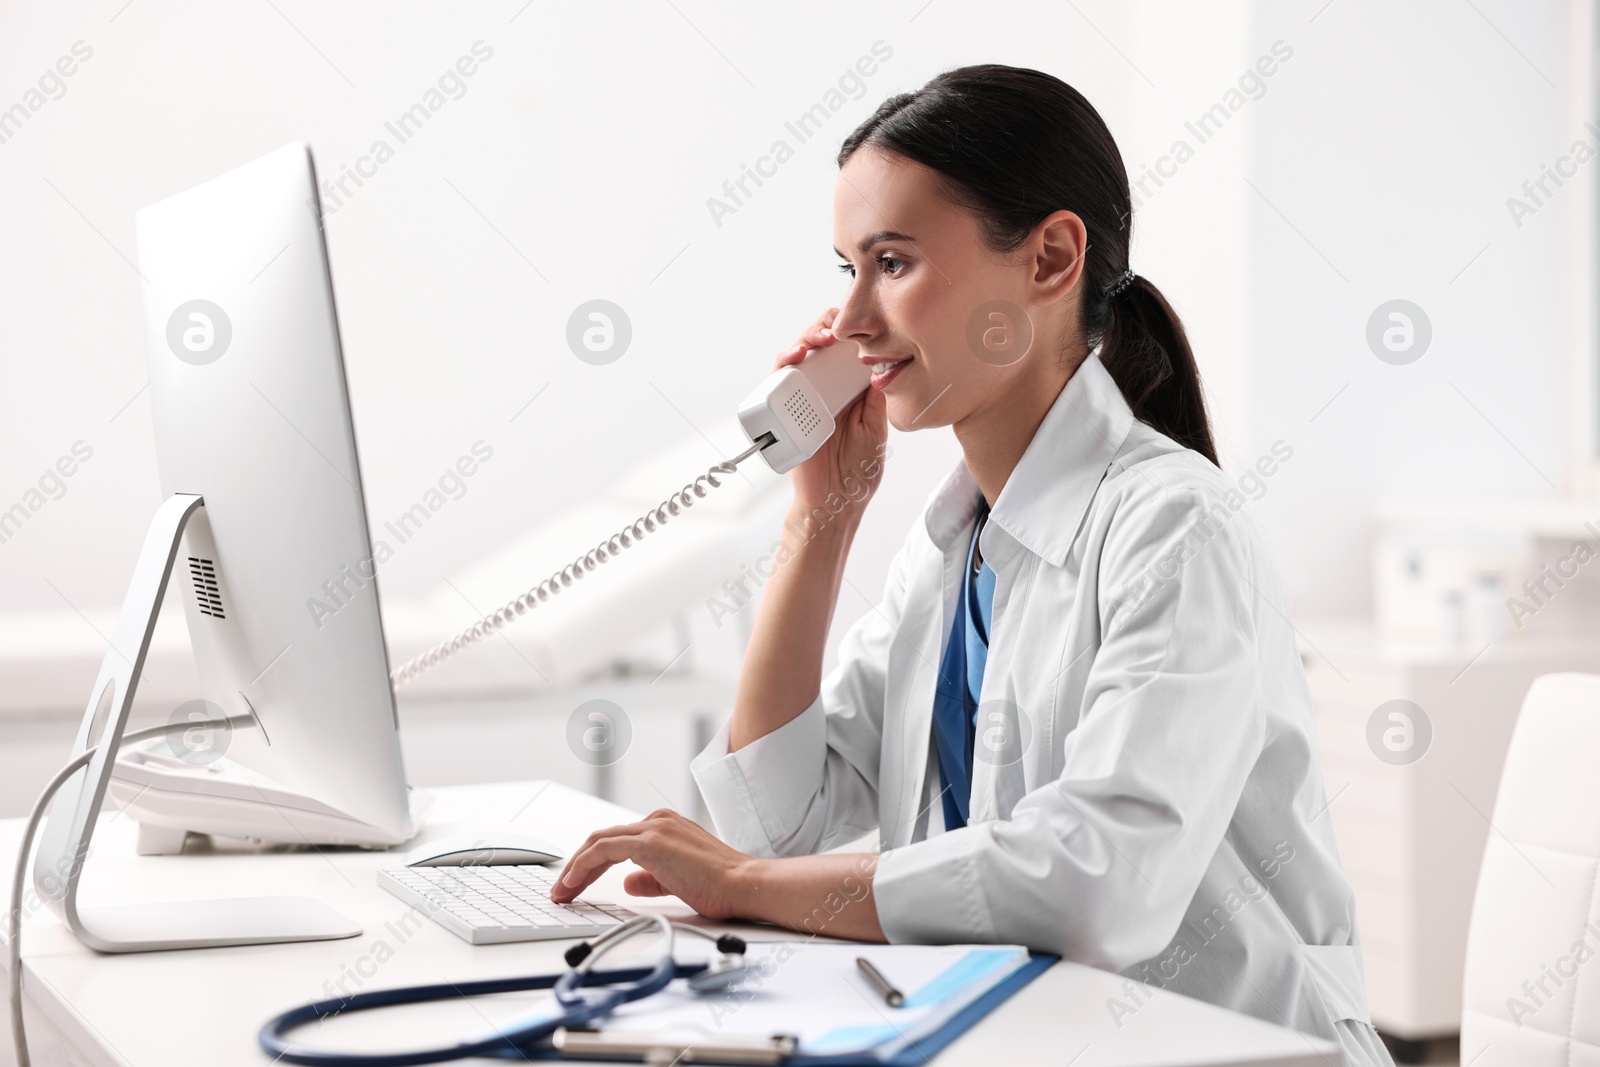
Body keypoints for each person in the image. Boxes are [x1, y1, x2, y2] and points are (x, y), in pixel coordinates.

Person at [552, 64, 1391, 1066]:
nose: (853, 320)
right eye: (845, 269)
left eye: (893, 262)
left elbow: (1095, 881)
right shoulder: (952, 548)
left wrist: (739, 885)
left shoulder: (1175, 529)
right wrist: (819, 522)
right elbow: (777, 815)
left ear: (1048, 258)